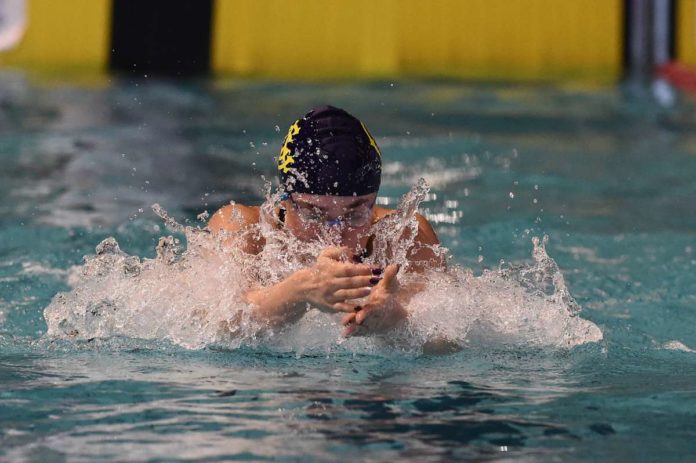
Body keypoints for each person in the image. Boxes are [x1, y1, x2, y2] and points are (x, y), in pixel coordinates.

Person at [209, 106, 443, 337]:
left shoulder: (404, 236)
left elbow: (448, 339)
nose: (334, 235)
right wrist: (299, 291)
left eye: (354, 215)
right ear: (285, 201)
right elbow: (213, 325)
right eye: (314, 214)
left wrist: (395, 320)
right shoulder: (242, 229)